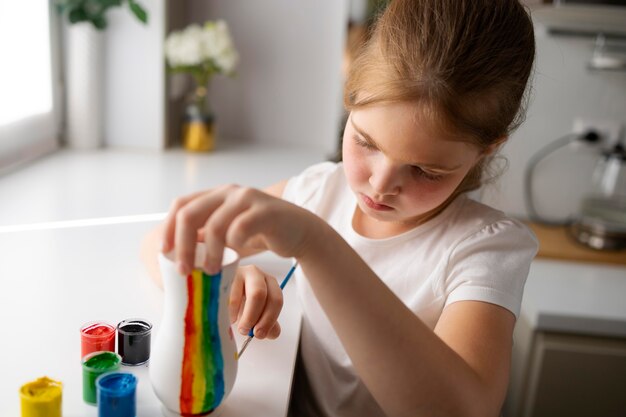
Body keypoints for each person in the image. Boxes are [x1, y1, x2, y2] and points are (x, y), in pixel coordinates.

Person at [145, 1, 538, 416]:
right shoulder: (322, 191)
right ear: (350, 99)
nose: (380, 185)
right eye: (366, 142)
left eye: (425, 170)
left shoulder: (485, 252)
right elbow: (164, 242)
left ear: (486, 149)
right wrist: (224, 285)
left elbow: (462, 410)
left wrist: (317, 244)